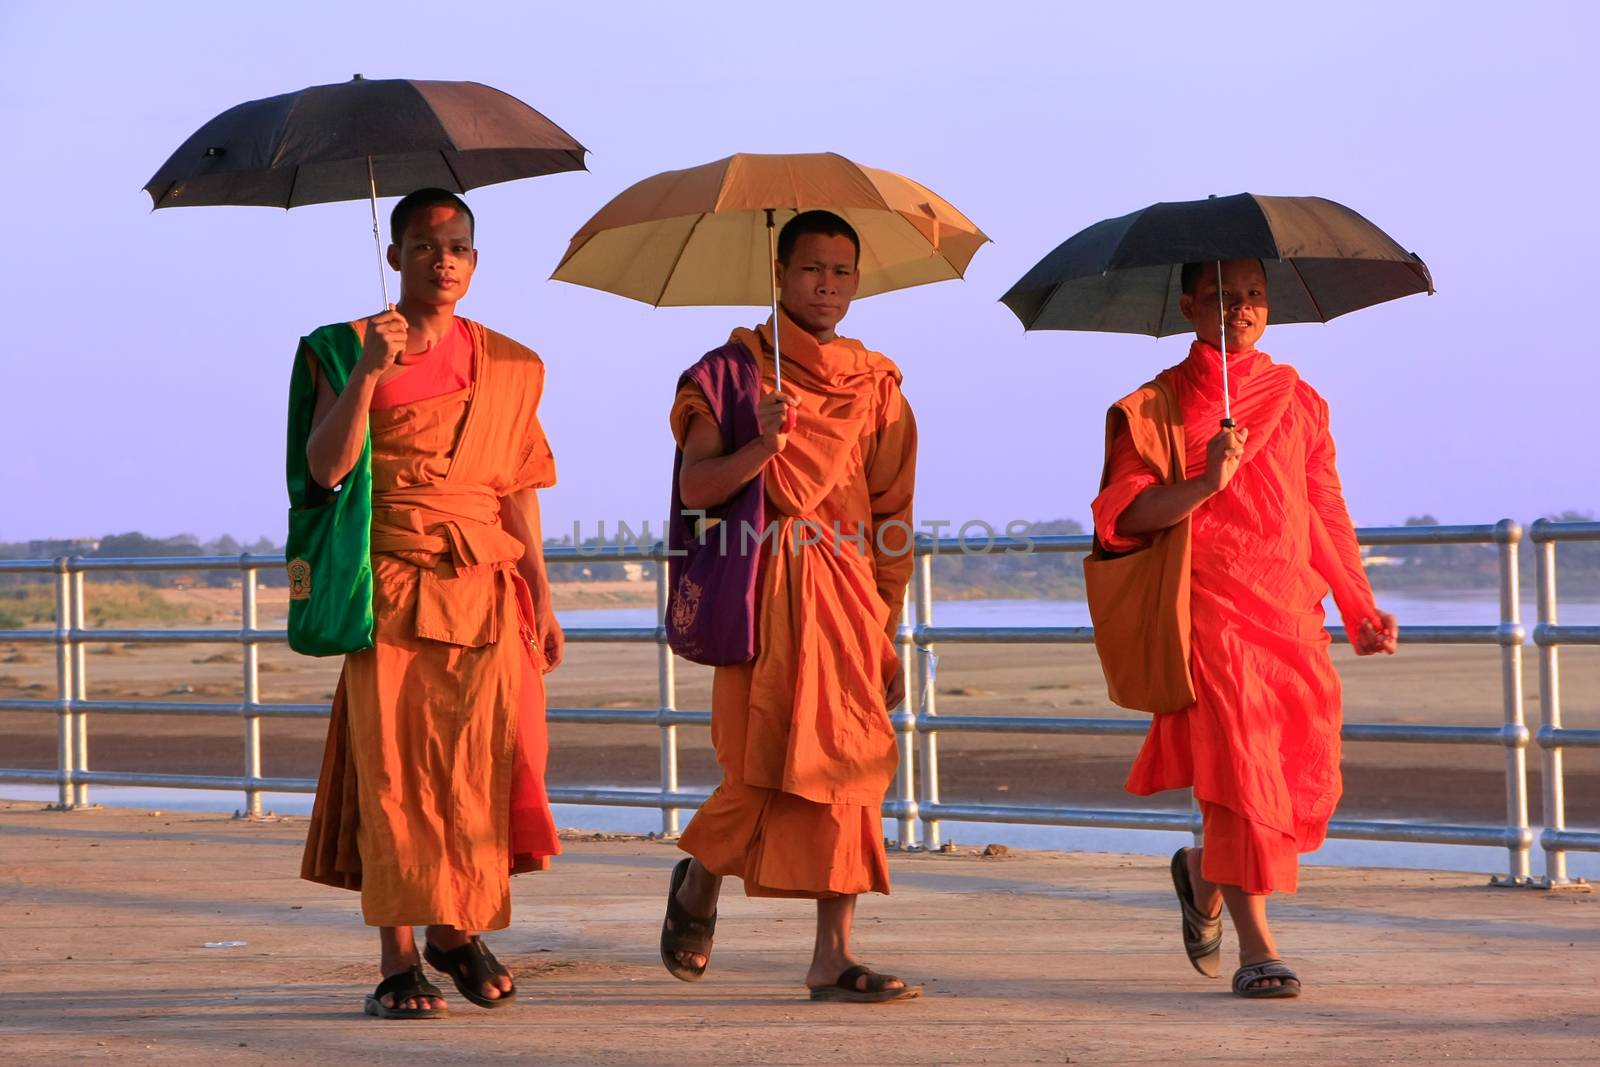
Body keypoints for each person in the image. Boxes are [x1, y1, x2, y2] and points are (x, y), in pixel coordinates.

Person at [1090, 258, 1398, 998]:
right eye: (1223, 297)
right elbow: (1121, 517)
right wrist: (1204, 481)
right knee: (1240, 776)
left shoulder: (1298, 400)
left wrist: (1358, 604)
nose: (1241, 309)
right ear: (1190, 305)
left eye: (1255, 296)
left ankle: (1202, 874)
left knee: (1299, 776)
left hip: (1291, 610)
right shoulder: (1154, 405)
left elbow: (1323, 508)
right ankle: (1260, 948)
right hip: (1209, 611)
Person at [294, 188, 565, 1018]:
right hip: (393, 588)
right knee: (396, 775)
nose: (440, 260)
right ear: (395, 257)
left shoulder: (513, 365)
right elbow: (324, 470)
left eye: (456, 248)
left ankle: (456, 927)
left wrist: (543, 596)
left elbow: (516, 490)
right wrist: (372, 372)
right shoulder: (339, 350)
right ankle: (398, 958)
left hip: (485, 589)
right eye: (422, 246)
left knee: (477, 769)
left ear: (474, 264)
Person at [659, 210, 921, 1003]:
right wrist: (760, 448)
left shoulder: (876, 383)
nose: (827, 286)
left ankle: (831, 956)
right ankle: (700, 874)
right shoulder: (729, 375)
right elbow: (696, 489)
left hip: (846, 592)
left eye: (842, 272)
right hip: (763, 587)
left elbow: (891, 512)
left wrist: (887, 622)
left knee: (853, 766)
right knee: (764, 766)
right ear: (778, 273)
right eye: (812, 269)